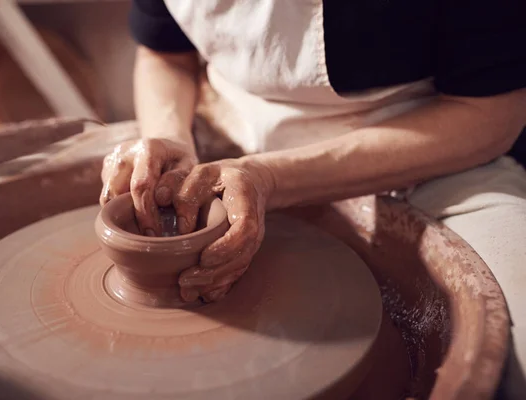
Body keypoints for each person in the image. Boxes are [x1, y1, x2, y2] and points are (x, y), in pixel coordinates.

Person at [100, 1, 526, 396]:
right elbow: (165, 55)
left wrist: (270, 177)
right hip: (228, 136)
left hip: (422, 150)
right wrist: (171, 139)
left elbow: (490, 114)